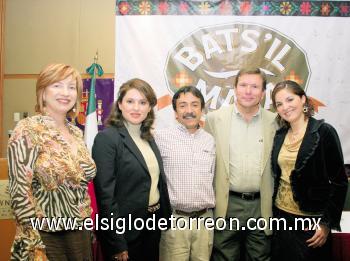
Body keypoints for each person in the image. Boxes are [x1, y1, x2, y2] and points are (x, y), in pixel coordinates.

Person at [7, 63, 96, 260]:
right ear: (43, 91)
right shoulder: (28, 130)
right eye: (57, 85)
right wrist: (35, 243)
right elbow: (19, 192)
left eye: (72, 87)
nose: (65, 92)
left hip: (80, 234)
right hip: (46, 235)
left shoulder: (75, 132)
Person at [92, 78, 172, 261]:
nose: (136, 108)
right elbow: (106, 197)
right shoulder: (107, 139)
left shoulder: (148, 138)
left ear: (149, 107)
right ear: (120, 104)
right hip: (126, 232)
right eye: (130, 101)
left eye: (142, 102)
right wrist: (116, 242)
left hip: (152, 225)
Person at [270, 80, 348, 261]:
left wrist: (326, 223)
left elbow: (339, 182)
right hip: (281, 219)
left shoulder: (324, 132)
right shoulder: (280, 135)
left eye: (290, 100)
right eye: (279, 104)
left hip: (310, 223)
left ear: (303, 99)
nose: (285, 107)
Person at [205, 68, 277, 261]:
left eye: (255, 87)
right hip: (227, 204)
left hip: (261, 206)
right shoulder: (214, 119)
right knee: (224, 257)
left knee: (260, 257)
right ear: (235, 89)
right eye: (243, 85)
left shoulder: (275, 122)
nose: (248, 91)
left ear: (263, 93)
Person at [155, 86, 216, 261]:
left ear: (202, 110)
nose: (189, 111)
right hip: (174, 221)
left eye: (194, 105)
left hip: (205, 221)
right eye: (182, 105)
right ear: (175, 112)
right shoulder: (160, 138)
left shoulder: (210, 140)